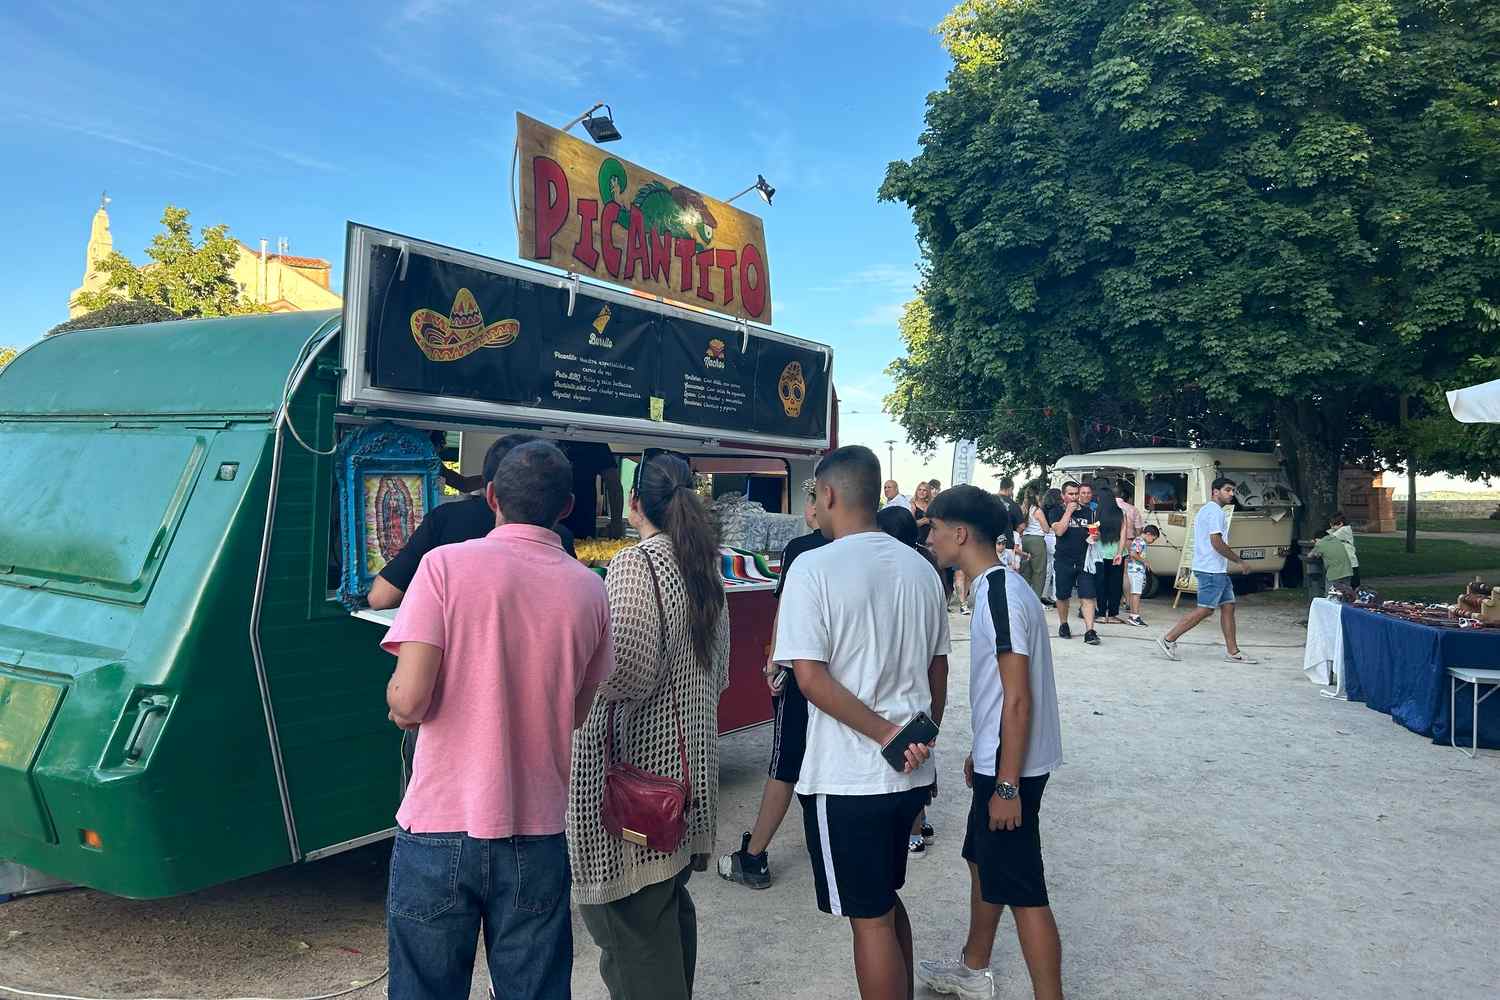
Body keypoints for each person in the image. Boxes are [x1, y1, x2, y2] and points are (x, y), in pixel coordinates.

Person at [381, 442, 613, 1000]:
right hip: (536, 833)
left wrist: (398, 706)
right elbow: (575, 713)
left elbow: (409, 702)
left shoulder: (443, 567)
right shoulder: (589, 588)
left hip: (439, 825)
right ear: (566, 508)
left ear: (491, 498)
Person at [773, 445, 950, 1000]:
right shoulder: (920, 567)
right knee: (885, 899)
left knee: (868, 917)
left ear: (827, 495)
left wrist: (888, 736)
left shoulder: (813, 566)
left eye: (813, 496)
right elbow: (937, 669)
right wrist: (919, 737)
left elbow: (810, 678)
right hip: (909, 776)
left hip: (849, 779)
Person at [569, 453, 731, 1000]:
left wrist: (571, 672)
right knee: (663, 908)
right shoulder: (704, 567)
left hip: (636, 783)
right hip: (684, 784)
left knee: (628, 925)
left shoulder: (637, 565)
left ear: (634, 502)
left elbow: (626, 671)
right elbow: (721, 672)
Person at [919, 486, 1064, 1000]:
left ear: (960, 534)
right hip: (1002, 757)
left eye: (934, 528)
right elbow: (1002, 696)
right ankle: (973, 966)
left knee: (1025, 891)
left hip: (1014, 769)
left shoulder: (1000, 592)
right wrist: (983, 752)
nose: (930, 538)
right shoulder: (996, 588)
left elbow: (1018, 697)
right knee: (983, 860)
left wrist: (1006, 783)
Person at [719, 480, 827, 890]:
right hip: (845, 679)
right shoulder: (877, 552)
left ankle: (754, 856)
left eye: (811, 499)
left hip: (803, 672)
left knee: (786, 761)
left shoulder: (803, 550)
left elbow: (787, 610)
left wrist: (773, 661)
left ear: (823, 503)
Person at [368, 433, 577, 610]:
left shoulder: (444, 524)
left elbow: (381, 597)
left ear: (491, 492)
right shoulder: (561, 541)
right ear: (566, 507)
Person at [876, 504, 944, 861]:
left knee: (907, 765)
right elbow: (940, 660)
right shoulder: (927, 569)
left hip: (898, 684)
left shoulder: (890, 572)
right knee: (921, 756)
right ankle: (920, 824)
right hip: (922, 686)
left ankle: (914, 832)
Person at [1157, 477, 1257, 664]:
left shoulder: (1209, 510)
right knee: (1205, 610)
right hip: (1211, 569)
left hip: (1215, 569)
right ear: (1215, 491)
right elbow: (1216, 542)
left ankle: (1233, 652)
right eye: (1228, 490)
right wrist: (1239, 561)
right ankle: (1168, 639)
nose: (1231, 494)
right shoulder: (1215, 512)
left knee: (1228, 606)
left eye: (1233, 490)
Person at [1047, 481, 1098, 644]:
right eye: (1071, 494)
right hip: (1064, 560)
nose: (1075, 497)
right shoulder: (1055, 511)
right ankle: (1064, 624)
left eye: (1076, 494)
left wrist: (1095, 536)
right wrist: (1068, 512)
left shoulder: (1089, 512)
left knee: (1088, 596)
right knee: (1062, 595)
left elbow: (1095, 533)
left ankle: (1090, 631)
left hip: (1084, 560)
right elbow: (1060, 531)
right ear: (1063, 496)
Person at [560, 440, 624, 540]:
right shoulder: (592, 440)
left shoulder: (592, 440)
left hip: (579, 523)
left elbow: (613, 484)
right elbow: (614, 484)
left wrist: (616, 523)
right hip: (580, 522)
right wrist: (616, 523)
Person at [1092, 483, 1126, 627]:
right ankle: (1112, 614)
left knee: (1100, 584)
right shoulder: (1121, 513)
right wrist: (1119, 553)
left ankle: (1100, 614)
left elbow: (1094, 536)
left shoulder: (1096, 514)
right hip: (1117, 555)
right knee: (1115, 584)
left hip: (1100, 554)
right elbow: (1123, 535)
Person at [1019, 486, 1049, 602]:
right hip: (1037, 541)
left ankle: (1023, 598)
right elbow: (1046, 529)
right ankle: (1035, 599)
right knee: (1039, 571)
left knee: (1025, 571)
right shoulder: (1037, 511)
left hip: (1025, 540)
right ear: (1037, 496)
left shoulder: (1023, 509)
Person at [1124, 524, 1158, 627]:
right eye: (1153, 539)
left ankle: (1133, 615)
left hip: (1135, 570)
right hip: (1136, 570)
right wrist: (1145, 562)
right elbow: (1133, 553)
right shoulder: (1140, 541)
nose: (1152, 541)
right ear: (1148, 534)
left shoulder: (1139, 541)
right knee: (1136, 594)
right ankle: (1135, 616)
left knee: (1135, 593)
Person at [1312, 524, 1354, 589]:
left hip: (1334, 574)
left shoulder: (1320, 543)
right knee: (1346, 593)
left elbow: (1311, 555)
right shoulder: (1336, 540)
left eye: (1315, 540)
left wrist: (1314, 545)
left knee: (1331, 594)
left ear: (1318, 539)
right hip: (1348, 572)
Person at [1039, 487, 1062, 608]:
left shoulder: (1043, 508)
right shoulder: (1057, 509)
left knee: (1047, 568)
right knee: (1056, 569)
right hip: (1054, 537)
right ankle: (1056, 597)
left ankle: (1043, 594)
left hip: (1045, 537)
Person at [1329, 512, 1360, 588]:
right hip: (1347, 563)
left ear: (1340, 524)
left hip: (1350, 563)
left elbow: (1328, 537)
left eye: (1334, 525)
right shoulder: (1341, 529)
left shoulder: (1344, 530)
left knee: (1353, 585)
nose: (1332, 527)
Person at [912, 481, 934, 546]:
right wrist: (924, 521)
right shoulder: (912, 504)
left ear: (928, 492)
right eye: (919, 490)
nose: (921, 492)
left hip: (930, 541)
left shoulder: (931, 505)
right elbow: (910, 525)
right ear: (917, 491)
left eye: (924, 490)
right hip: (916, 540)